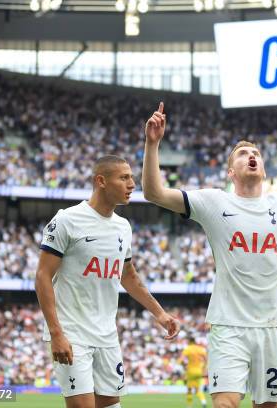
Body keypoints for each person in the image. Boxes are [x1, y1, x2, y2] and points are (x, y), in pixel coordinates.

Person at [142, 102, 277, 408]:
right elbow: (154, 193)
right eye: (244, 154)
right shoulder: (212, 202)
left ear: (264, 168)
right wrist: (152, 145)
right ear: (231, 172)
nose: (252, 156)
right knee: (225, 404)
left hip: (273, 324)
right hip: (228, 323)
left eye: (256, 153)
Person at [35, 155, 180, 408]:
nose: (132, 184)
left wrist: (160, 314)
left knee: (111, 404)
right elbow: (42, 276)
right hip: (72, 332)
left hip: (106, 335)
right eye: (124, 177)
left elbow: (129, 276)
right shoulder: (67, 220)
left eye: (132, 177)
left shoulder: (123, 227)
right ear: (101, 181)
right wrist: (57, 333)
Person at [182, 335, 208, 408]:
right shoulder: (200, 349)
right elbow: (206, 359)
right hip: (199, 371)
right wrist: (204, 368)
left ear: (190, 341)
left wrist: (183, 365)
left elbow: (181, 359)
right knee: (197, 389)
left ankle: (189, 406)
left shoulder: (188, 349)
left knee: (189, 389)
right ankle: (203, 402)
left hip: (191, 371)